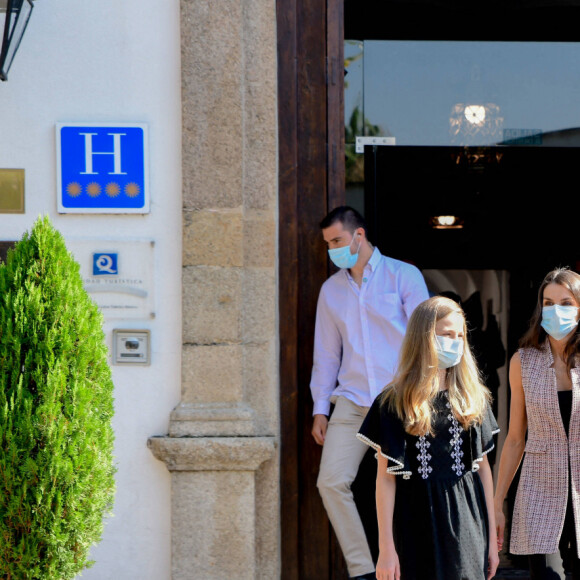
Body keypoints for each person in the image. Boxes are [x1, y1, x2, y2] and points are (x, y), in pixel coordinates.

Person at [310, 206, 429, 580]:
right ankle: (364, 569)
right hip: (353, 402)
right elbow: (327, 354)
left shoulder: (403, 275)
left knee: (412, 484)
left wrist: (426, 395)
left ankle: (415, 564)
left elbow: (426, 340)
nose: (332, 249)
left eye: (337, 241)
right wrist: (319, 409)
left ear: (358, 235)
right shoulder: (330, 291)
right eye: (328, 244)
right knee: (330, 481)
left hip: (401, 400)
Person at [357, 296, 500, 580]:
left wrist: (492, 544)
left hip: (467, 523)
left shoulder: (474, 398)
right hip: (414, 521)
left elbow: (483, 470)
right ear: (424, 338)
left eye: (460, 335)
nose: (455, 342)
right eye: (447, 334)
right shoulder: (393, 401)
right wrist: (385, 548)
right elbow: (385, 478)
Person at [494, 267, 580, 579]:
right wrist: (497, 501)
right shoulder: (523, 362)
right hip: (539, 491)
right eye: (548, 302)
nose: (556, 310)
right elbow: (516, 437)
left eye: (566, 303)